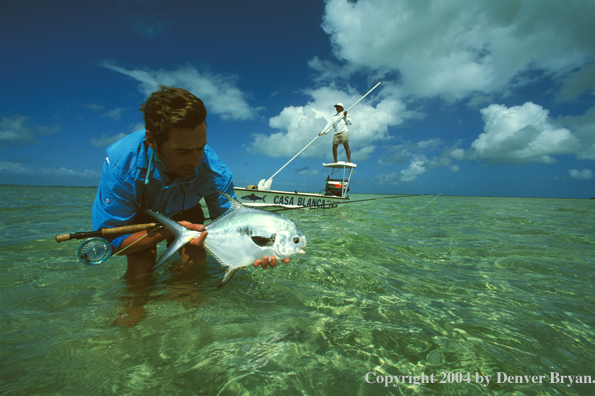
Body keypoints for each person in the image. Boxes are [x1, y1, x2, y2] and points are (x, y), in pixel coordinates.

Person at [92, 84, 285, 279]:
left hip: (187, 209)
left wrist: (255, 251)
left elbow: (234, 223)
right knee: (141, 262)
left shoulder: (215, 172)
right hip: (141, 212)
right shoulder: (121, 165)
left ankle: (186, 305)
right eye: (182, 151)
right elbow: (111, 243)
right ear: (151, 140)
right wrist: (165, 232)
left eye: (201, 147)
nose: (195, 161)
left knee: (195, 257)